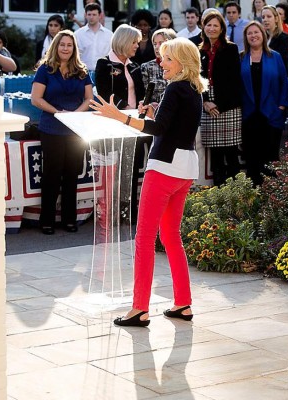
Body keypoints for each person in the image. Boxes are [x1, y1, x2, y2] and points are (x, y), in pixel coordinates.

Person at [90, 37, 208, 326]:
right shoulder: (194, 90)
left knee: (144, 238)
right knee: (170, 237)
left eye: (167, 58)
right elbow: (171, 125)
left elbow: (159, 128)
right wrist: (154, 112)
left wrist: (120, 117)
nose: (162, 63)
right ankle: (183, 303)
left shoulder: (175, 88)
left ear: (182, 61)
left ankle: (139, 308)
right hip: (184, 168)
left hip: (164, 168)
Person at [30, 30, 93, 235]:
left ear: (74, 48)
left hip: (75, 130)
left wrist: (74, 115)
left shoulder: (82, 71)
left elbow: (89, 99)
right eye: (62, 44)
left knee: (71, 175)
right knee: (51, 175)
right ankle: (46, 220)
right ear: (55, 46)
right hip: (52, 128)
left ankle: (69, 219)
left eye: (69, 45)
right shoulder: (45, 70)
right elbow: (36, 99)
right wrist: (59, 113)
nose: (66, 48)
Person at [95, 24, 146, 219]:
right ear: (124, 41)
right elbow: (104, 92)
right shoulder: (104, 64)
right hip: (114, 124)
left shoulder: (134, 66)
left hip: (134, 124)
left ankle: (130, 211)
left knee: (132, 168)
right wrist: (124, 107)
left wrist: (143, 104)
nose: (137, 46)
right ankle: (112, 211)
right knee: (115, 169)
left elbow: (140, 93)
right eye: (134, 42)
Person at [240, 21, 288, 186]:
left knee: (270, 159)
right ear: (246, 38)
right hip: (249, 116)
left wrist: (281, 107)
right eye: (250, 33)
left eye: (256, 32)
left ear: (263, 34)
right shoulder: (241, 57)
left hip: (271, 115)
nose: (253, 36)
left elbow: (284, 82)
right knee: (252, 158)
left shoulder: (274, 56)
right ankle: (253, 196)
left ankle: (271, 198)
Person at [199, 10, 242, 186]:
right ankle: (218, 194)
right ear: (204, 27)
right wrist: (205, 102)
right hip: (207, 102)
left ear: (222, 28)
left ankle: (238, 194)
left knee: (231, 153)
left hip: (228, 104)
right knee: (216, 156)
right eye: (209, 25)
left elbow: (234, 81)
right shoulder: (199, 50)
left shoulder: (231, 48)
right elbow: (196, 78)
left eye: (216, 25)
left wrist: (218, 104)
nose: (212, 28)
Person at [74, 3, 113, 72]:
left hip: (103, 72)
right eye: (89, 14)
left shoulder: (109, 35)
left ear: (100, 16)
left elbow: (112, 54)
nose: (91, 17)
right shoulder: (78, 34)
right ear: (85, 15)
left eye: (94, 14)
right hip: (83, 72)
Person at [142, 29, 177, 104]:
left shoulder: (180, 67)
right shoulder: (146, 67)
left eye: (161, 43)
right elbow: (144, 96)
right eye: (155, 44)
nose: (157, 47)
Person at [261, 5, 288, 73]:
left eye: (269, 16)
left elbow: (280, 59)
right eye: (263, 17)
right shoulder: (261, 36)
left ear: (276, 19)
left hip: (278, 74)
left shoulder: (283, 37)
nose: (265, 19)